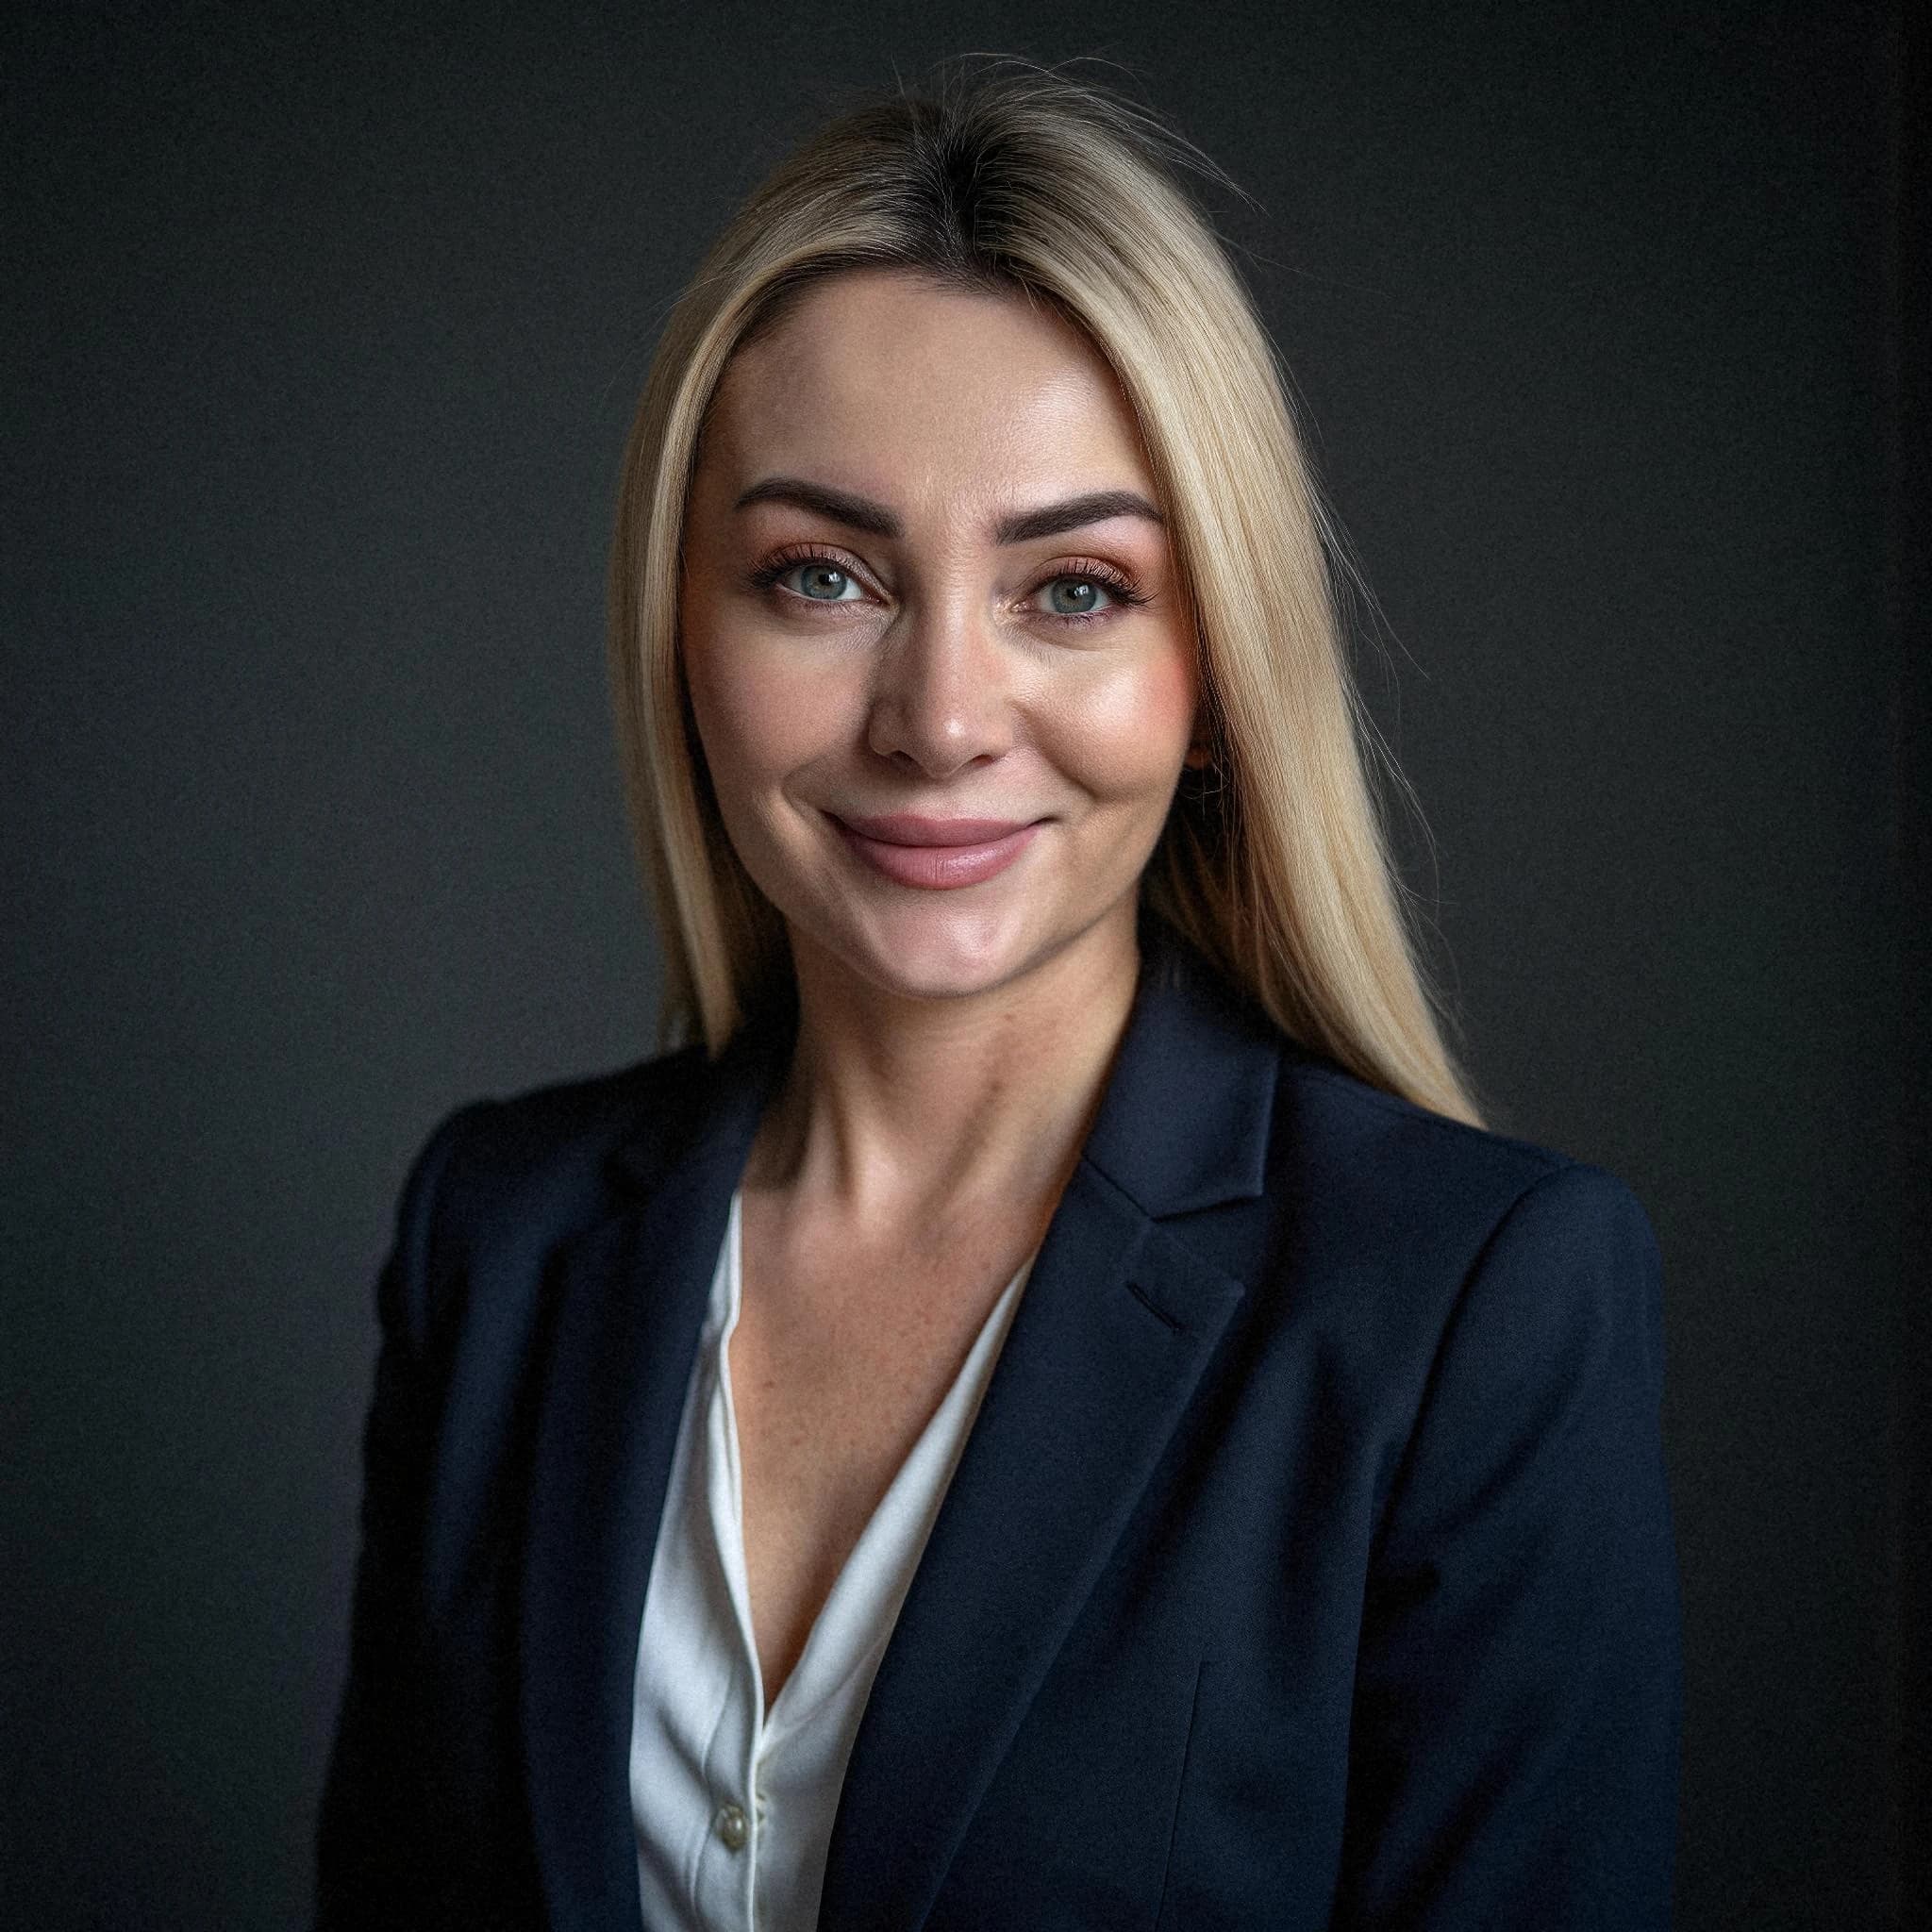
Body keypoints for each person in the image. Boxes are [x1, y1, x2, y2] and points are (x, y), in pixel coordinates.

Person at [315, 56, 1681, 1932]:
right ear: (681, 634)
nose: (941, 719)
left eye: (1074, 592)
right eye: (821, 575)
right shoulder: (501, 1237)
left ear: (1214, 669)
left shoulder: (1470, 1307)